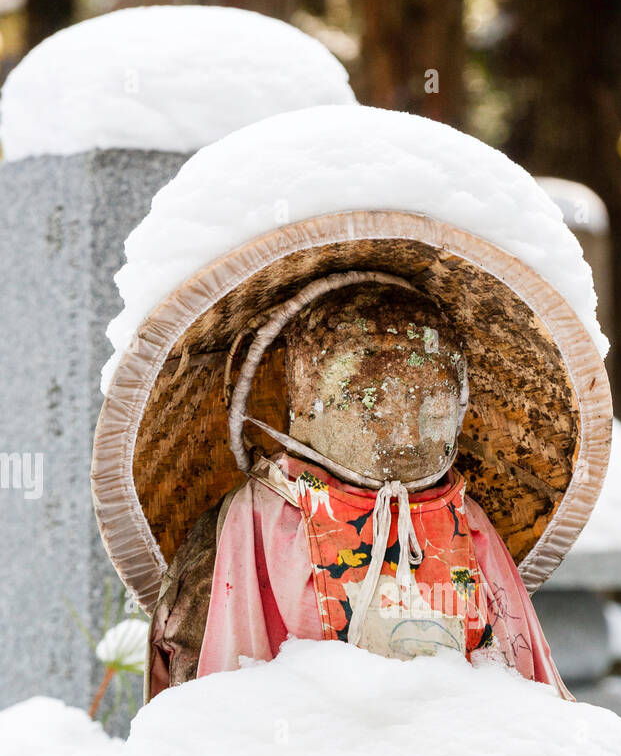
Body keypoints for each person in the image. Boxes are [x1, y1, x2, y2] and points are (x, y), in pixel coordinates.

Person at [148, 273, 569, 701]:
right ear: (305, 399)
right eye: (373, 404)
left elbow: (515, 689)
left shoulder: (467, 523)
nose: (406, 435)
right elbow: (198, 700)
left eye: (433, 405)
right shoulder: (249, 527)